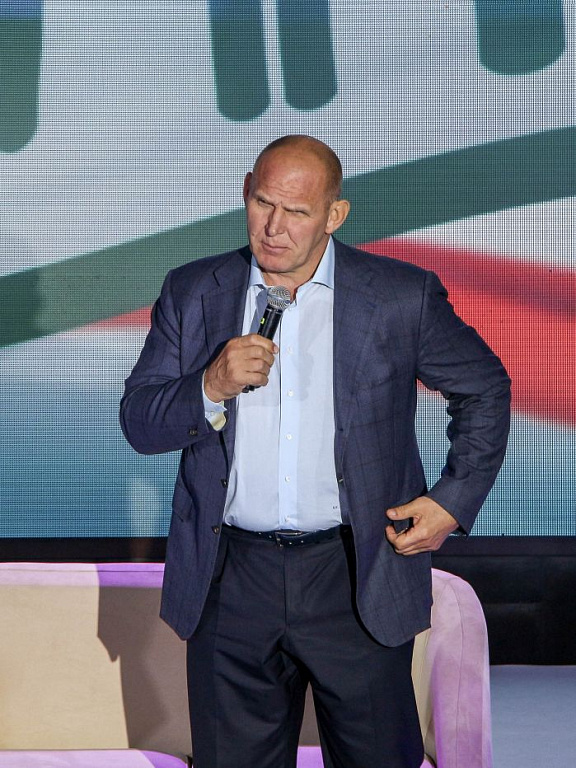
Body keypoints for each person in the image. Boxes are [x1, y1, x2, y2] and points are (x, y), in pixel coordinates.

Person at [120, 135, 511, 768]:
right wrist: (209, 386)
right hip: (230, 576)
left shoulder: (398, 296)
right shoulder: (194, 291)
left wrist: (452, 499)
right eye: (263, 203)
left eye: (297, 212)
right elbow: (141, 423)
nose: (273, 227)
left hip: (356, 572)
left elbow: (484, 388)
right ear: (246, 192)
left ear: (335, 215)